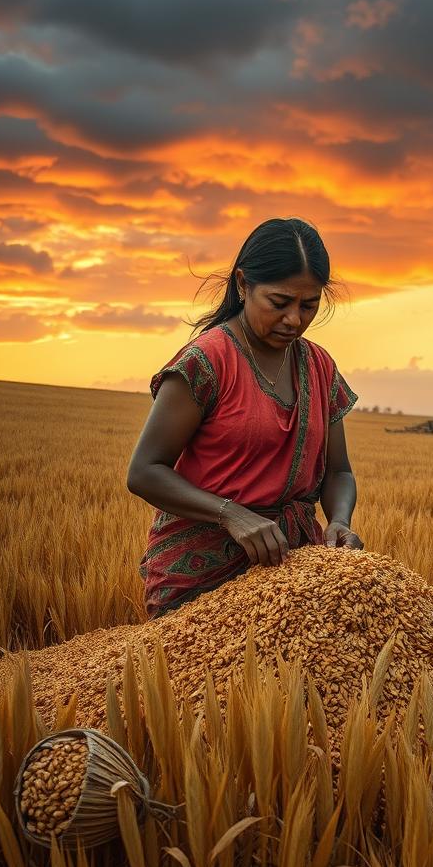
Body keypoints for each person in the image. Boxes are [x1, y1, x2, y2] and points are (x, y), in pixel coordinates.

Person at [127, 217, 362, 618]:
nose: (294, 320)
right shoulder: (207, 361)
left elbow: (338, 472)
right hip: (201, 575)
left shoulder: (319, 366)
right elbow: (145, 471)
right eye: (279, 302)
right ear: (242, 285)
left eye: (309, 305)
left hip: (290, 570)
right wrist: (232, 514)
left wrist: (339, 520)